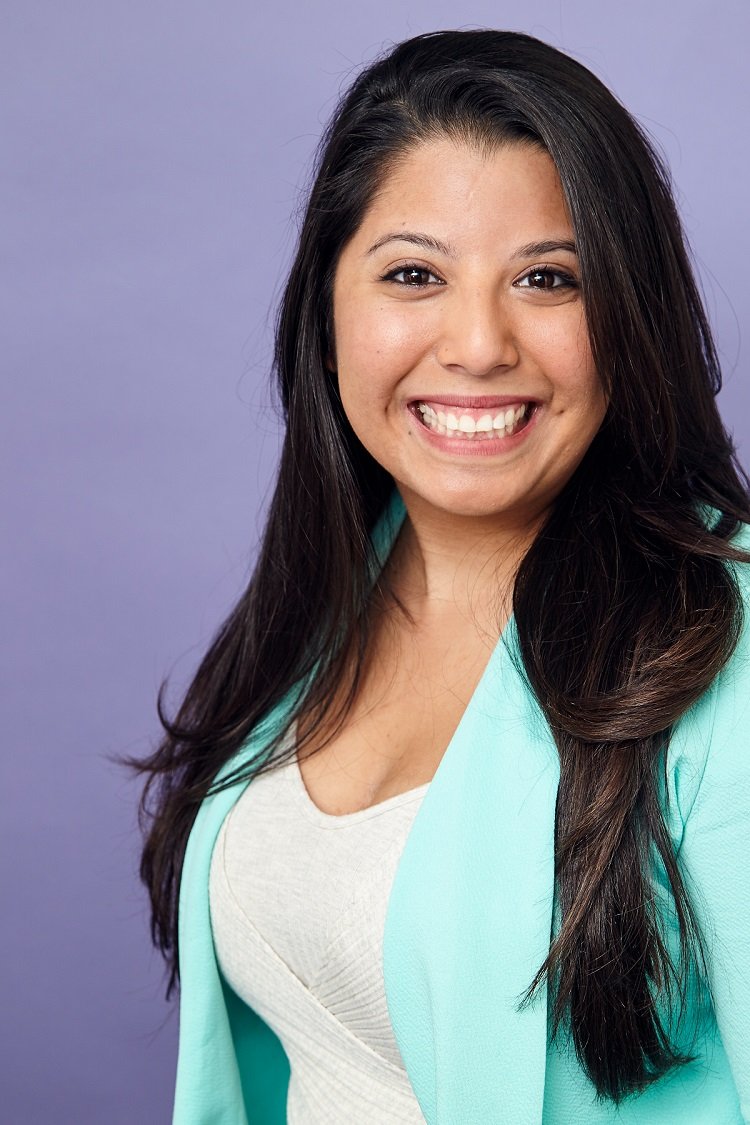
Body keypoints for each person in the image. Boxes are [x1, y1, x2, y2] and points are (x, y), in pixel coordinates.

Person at [134, 28, 750, 1124]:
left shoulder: (726, 643)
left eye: (549, 280)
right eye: (414, 273)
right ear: (327, 320)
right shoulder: (318, 613)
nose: (477, 343)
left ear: (630, 324)